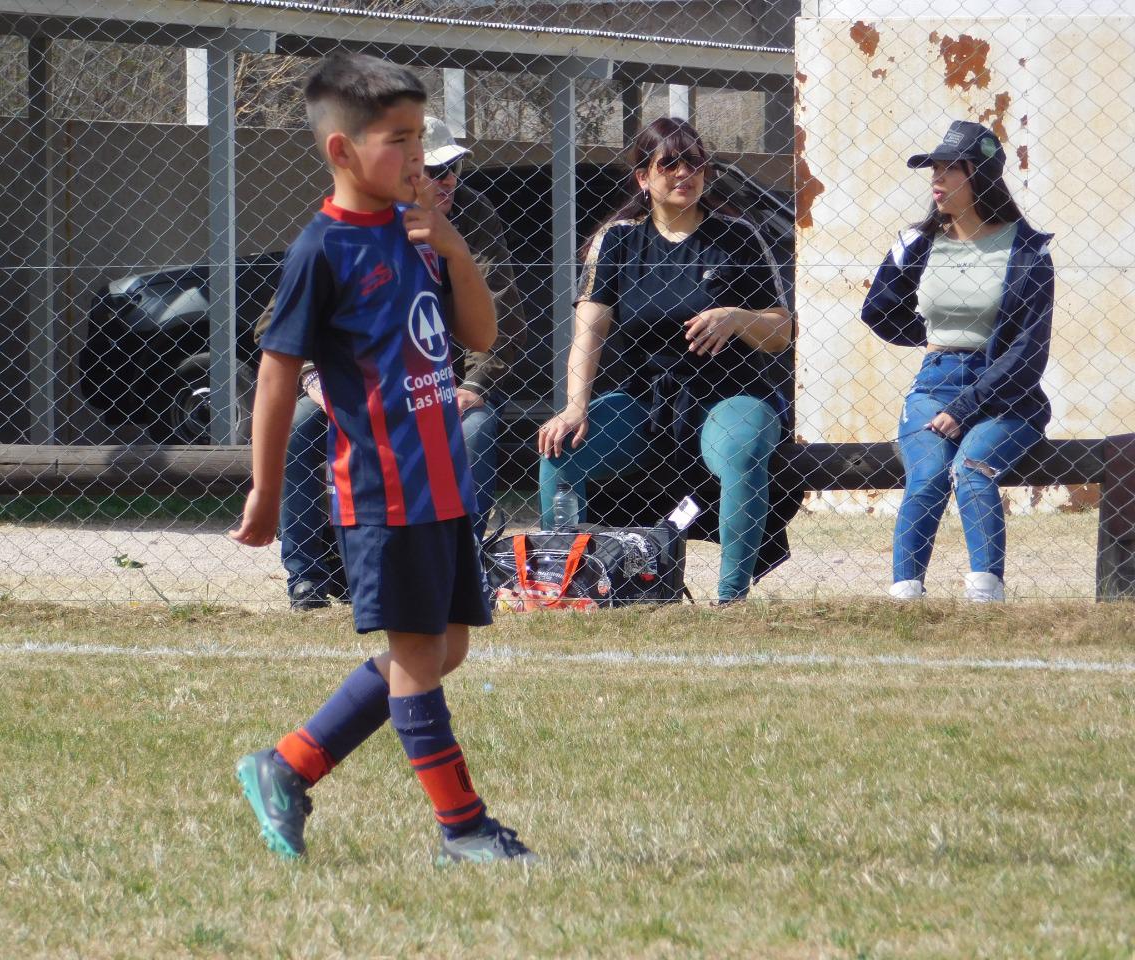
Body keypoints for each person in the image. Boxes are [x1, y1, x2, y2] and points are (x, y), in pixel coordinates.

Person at [230, 52, 536, 864]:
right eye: (400, 142)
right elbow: (274, 375)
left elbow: (480, 337)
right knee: (415, 657)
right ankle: (462, 831)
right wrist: (264, 489)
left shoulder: (419, 236)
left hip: (443, 483)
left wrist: (454, 246)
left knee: (445, 648)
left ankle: (288, 765)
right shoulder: (321, 251)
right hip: (384, 491)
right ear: (342, 152)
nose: (421, 165)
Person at [537, 117, 792, 604]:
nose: (683, 173)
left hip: (729, 394)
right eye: (668, 163)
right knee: (560, 448)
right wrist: (574, 406)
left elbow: (782, 331)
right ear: (643, 177)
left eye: (694, 162)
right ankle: (566, 586)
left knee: (742, 448)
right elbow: (588, 335)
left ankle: (730, 600)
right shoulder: (615, 241)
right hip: (644, 400)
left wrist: (738, 318)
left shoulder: (739, 236)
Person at [277, 116, 527, 610]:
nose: (449, 182)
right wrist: (312, 378)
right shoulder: (344, 224)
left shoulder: (469, 216)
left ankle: (458, 566)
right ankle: (306, 576)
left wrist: (474, 382)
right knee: (301, 425)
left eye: (454, 168)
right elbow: (277, 323)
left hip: (438, 384)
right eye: (434, 172)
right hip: (357, 384)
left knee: (475, 429)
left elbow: (500, 318)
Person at [861, 120, 1054, 602]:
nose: (937, 181)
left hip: (1007, 393)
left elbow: (1027, 354)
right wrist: (930, 339)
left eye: (951, 170)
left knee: (971, 469)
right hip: (934, 383)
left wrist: (966, 406)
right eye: (935, 171)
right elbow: (877, 310)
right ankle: (905, 598)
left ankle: (985, 597)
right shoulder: (917, 242)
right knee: (926, 477)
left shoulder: (1029, 251)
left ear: (982, 176)